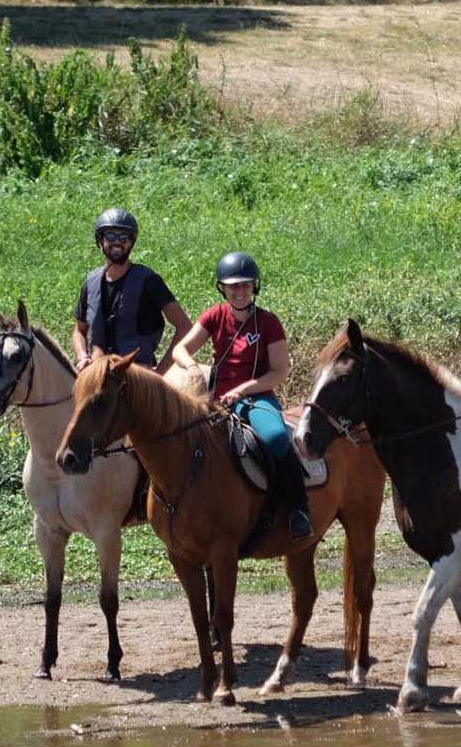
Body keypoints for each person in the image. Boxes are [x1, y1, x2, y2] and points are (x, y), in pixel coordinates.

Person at [170, 251, 312, 542]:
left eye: (246, 284)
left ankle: (298, 509)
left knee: (275, 437)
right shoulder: (214, 316)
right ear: (222, 287)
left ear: (254, 287)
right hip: (215, 399)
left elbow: (279, 371)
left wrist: (243, 390)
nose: (239, 291)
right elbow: (180, 350)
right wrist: (193, 367)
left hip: (255, 397)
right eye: (233, 285)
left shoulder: (268, 323)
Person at [72, 207, 192, 373]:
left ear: (131, 242)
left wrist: (160, 373)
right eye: (111, 236)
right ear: (100, 240)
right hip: (98, 375)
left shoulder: (149, 281)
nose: (118, 242)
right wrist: (83, 356)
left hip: (137, 378)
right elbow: (79, 329)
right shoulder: (90, 282)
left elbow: (184, 326)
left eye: (124, 237)